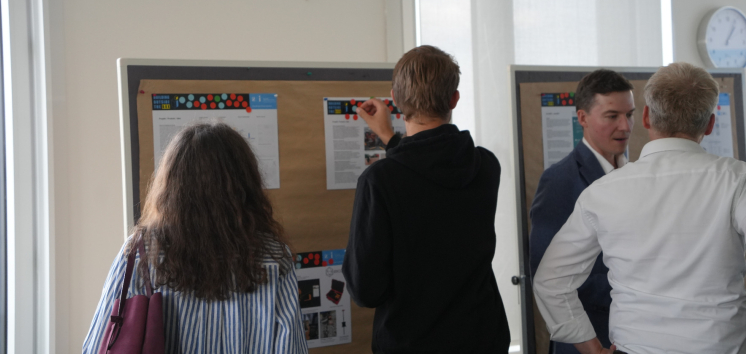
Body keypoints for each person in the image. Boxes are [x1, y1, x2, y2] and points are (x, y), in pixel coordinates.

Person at [533, 62, 746, 354]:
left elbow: (551, 281)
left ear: (646, 117)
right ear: (710, 124)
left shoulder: (603, 190)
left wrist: (591, 348)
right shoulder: (738, 179)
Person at [83, 123, 308, 354]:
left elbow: (97, 345)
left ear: (171, 186)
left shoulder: (141, 251)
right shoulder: (273, 256)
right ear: (246, 184)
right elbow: (291, 348)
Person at [343, 45, 510, 353]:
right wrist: (391, 139)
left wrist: (393, 142)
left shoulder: (379, 181)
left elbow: (366, 290)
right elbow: (431, 173)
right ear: (454, 99)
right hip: (483, 337)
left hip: (410, 342)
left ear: (395, 99)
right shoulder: (486, 166)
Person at [530, 69, 635, 353]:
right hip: (587, 341)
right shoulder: (559, 181)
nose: (625, 126)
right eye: (612, 116)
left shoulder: (638, 176)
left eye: (630, 114)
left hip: (633, 335)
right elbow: (548, 274)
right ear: (583, 118)